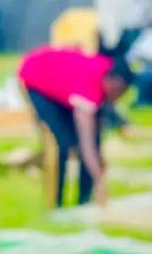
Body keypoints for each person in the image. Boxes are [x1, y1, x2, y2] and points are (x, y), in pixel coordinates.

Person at [18, 45, 132, 207]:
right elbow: (87, 144)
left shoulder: (108, 72)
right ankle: (57, 202)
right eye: (118, 93)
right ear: (113, 82)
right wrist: (100, 183)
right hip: (37, 78)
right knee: (63, 143)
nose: (116, 98)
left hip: (65, 83)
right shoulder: (89, 89)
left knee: (93, 143)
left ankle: (83, 201)